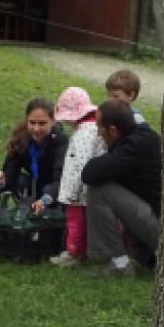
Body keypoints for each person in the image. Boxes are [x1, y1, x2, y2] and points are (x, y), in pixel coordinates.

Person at [82, 99, 163, 275]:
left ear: (113, 130)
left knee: (99, 189)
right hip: (156, 220)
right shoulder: (142, 137)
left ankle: (119, 264)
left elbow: (89, 174)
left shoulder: (133, 147)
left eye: (100, 128)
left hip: (160, 226)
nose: (98, 134)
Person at [50, 87, 107, 267]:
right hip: (87, 189)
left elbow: (82, 164)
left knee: (75, 223)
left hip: (78, 192)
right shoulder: (93, 129)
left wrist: (73, 190)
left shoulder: (85, 133)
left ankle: (73, 253)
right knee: (84, 223)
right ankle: (84, 251)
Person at [1, 98, 68, 216]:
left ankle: (52, 219)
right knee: (19, 180)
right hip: (33, 185)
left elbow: (60, 180)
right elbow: (10, 172)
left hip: (53, 191)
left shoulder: (60, 141)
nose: (36, 129)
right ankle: (25, 209)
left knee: (48, 190)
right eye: (32, 123)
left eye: (42, 123)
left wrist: (45, 200)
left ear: (52, 121)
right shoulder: (21, 139)